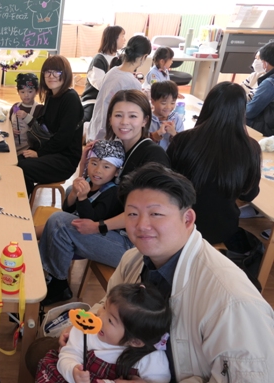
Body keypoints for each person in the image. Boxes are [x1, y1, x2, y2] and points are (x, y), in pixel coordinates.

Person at [28, 163, 274, 382]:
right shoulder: (134, 258)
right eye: (132, 214)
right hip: (121, 362)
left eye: (156, 214)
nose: (141, 225)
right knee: (39, 351)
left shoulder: (232, 302)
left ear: (187, 219)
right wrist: (87, 323)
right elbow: (108, 302)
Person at [39, 90, 169, 306]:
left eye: (132, 116)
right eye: (118, 115)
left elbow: (146, 212)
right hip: (116, 228)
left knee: (58, 223)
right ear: (110, 118)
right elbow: (93, 185)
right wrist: (84, 164)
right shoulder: (121, 147)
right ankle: (51, 262)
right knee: (71, 193)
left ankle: (58, 284)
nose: (124, 122)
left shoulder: (152, 156)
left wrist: (99, 226)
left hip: (137, 245)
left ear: (145, 120)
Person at [168, 82, 261, 252]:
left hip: (179, 222)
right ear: (241, 111)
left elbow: (166, 183)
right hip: (220, 229)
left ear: (207, 106)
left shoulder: (182, 140)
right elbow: (249, 195)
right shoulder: (251, 148)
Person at [36, 284, 171, 383]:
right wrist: (72, 370)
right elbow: (68, 354)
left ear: (135, 341)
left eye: (110, 320)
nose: (100, 317)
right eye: (104, 307)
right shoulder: (86, 330)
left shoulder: (152, 360)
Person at [17, 55, 83, 195]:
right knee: (17, 160)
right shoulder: (50, 95)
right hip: (51, 149)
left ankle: (22, 204)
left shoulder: (71, 99)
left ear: (66, 74)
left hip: (65, 159)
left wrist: (39, 153)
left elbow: (63, 137)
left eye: (57, 72)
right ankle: (20, 199)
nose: (51, 76)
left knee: (22, 167)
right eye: (47, 72)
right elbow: (45, 128)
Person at [88, 35, 151, 141]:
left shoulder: (113, 71)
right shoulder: (132, 82)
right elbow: (136, 115)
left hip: (96, 130)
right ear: (144, 57)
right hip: (111, 136)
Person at [81, 25, 126, 122]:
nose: (124, 39)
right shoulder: (99, 60)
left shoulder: (121, 58)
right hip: (94, 100)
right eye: (122, 36)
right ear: (113, 38)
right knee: (88, 120)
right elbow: (101, 85)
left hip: (113, 101)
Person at [9, 73, 43, 154]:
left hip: (28, 149)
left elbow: (40, 130)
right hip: (12, 145)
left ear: (37, 91)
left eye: (30, 91)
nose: (26, 95)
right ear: (18, 92)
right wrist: (11, 130)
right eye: (22, 92)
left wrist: (26, 117)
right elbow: (9, 122)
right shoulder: (15, 106)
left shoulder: (39, 109)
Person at [246, 42, 274, 136]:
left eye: (260, 60)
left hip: (269, 129)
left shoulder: (269, 83)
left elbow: (250, 112)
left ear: (265, 63)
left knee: (232, 116)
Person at [149, 81, 183, 150]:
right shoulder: (147, 119)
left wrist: (174, 133)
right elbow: (142, 143)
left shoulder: (177, 119)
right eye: (163, 103)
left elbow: (182, 143)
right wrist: (158, 133)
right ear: (153, 102)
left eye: (172, 103)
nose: (168, 107)